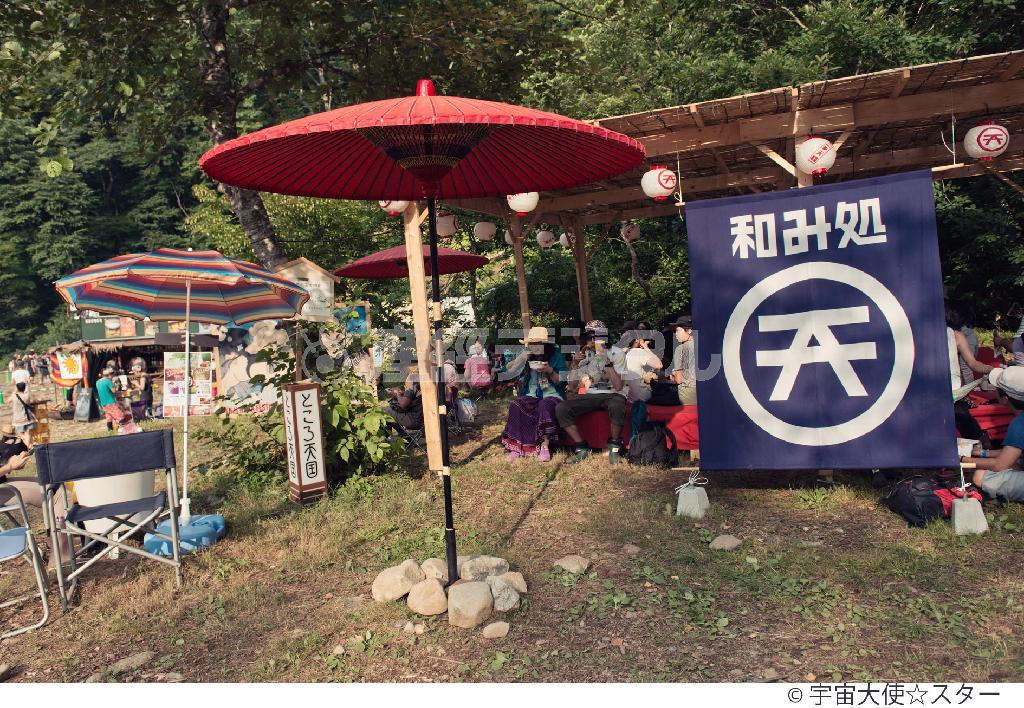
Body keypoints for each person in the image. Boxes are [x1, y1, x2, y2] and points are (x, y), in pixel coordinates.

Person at [556, 329, 632, 464]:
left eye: (596, 337)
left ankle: (614, 447)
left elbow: (619, 386)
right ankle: (581, 447)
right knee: (562, 408)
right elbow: (572, 386)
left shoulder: (617, 353)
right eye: (590, 338)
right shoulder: (587, 354)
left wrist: (607, 362)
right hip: (592, 394)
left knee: (617, 405)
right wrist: (574, 364)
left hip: (614, 393)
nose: (592, 341)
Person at [501, 326, 567, 461]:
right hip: (532, 394)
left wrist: (549, 370)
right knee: (516, 404)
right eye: (532, 343)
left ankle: (545, 445)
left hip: (552, 394)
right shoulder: (526, 354)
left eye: (538, 343)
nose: (535, 346)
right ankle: (516, 447)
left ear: (545, 344)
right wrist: (521, 359)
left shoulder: (556, 355)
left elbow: (562, 381)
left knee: (544, 405)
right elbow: (507, 370)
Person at [964, 367, 1024, 503]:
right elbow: (1011, 453)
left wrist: (962, 460)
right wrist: (982, 453)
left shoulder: (1019, 423)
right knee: (1014, 462)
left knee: (980, 475)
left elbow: (1000, 465)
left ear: (1004, 399)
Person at [97, 367, 138, 433]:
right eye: (112, 375)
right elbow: (114, 391)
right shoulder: (108, 381)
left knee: (109, 417)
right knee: (120, 415)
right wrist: (115, 385)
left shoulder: (98, 382)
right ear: (109, 375)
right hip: (110, 402)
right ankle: (126, 429)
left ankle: (110, 431)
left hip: (103, 403)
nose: (112, 377)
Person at [668, 315, 698, 405]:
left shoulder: (680, 349)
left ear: (689, 330)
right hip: (706, 392)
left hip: (688, 394)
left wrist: (673, 377)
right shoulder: (705, 344)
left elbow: (679, 380)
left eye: (677, 330)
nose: (676, 334)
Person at [10, 381, 36, 448]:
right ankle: (29, 446)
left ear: (17, 388)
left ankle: (28, 446)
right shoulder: (26, 396)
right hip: (28, 417)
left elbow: (8, 400)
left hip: (18, 418)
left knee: (20, 433)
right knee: (27, 433)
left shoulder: (14, 396)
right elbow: (33, 401)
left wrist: (14, 391)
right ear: (24, 388)